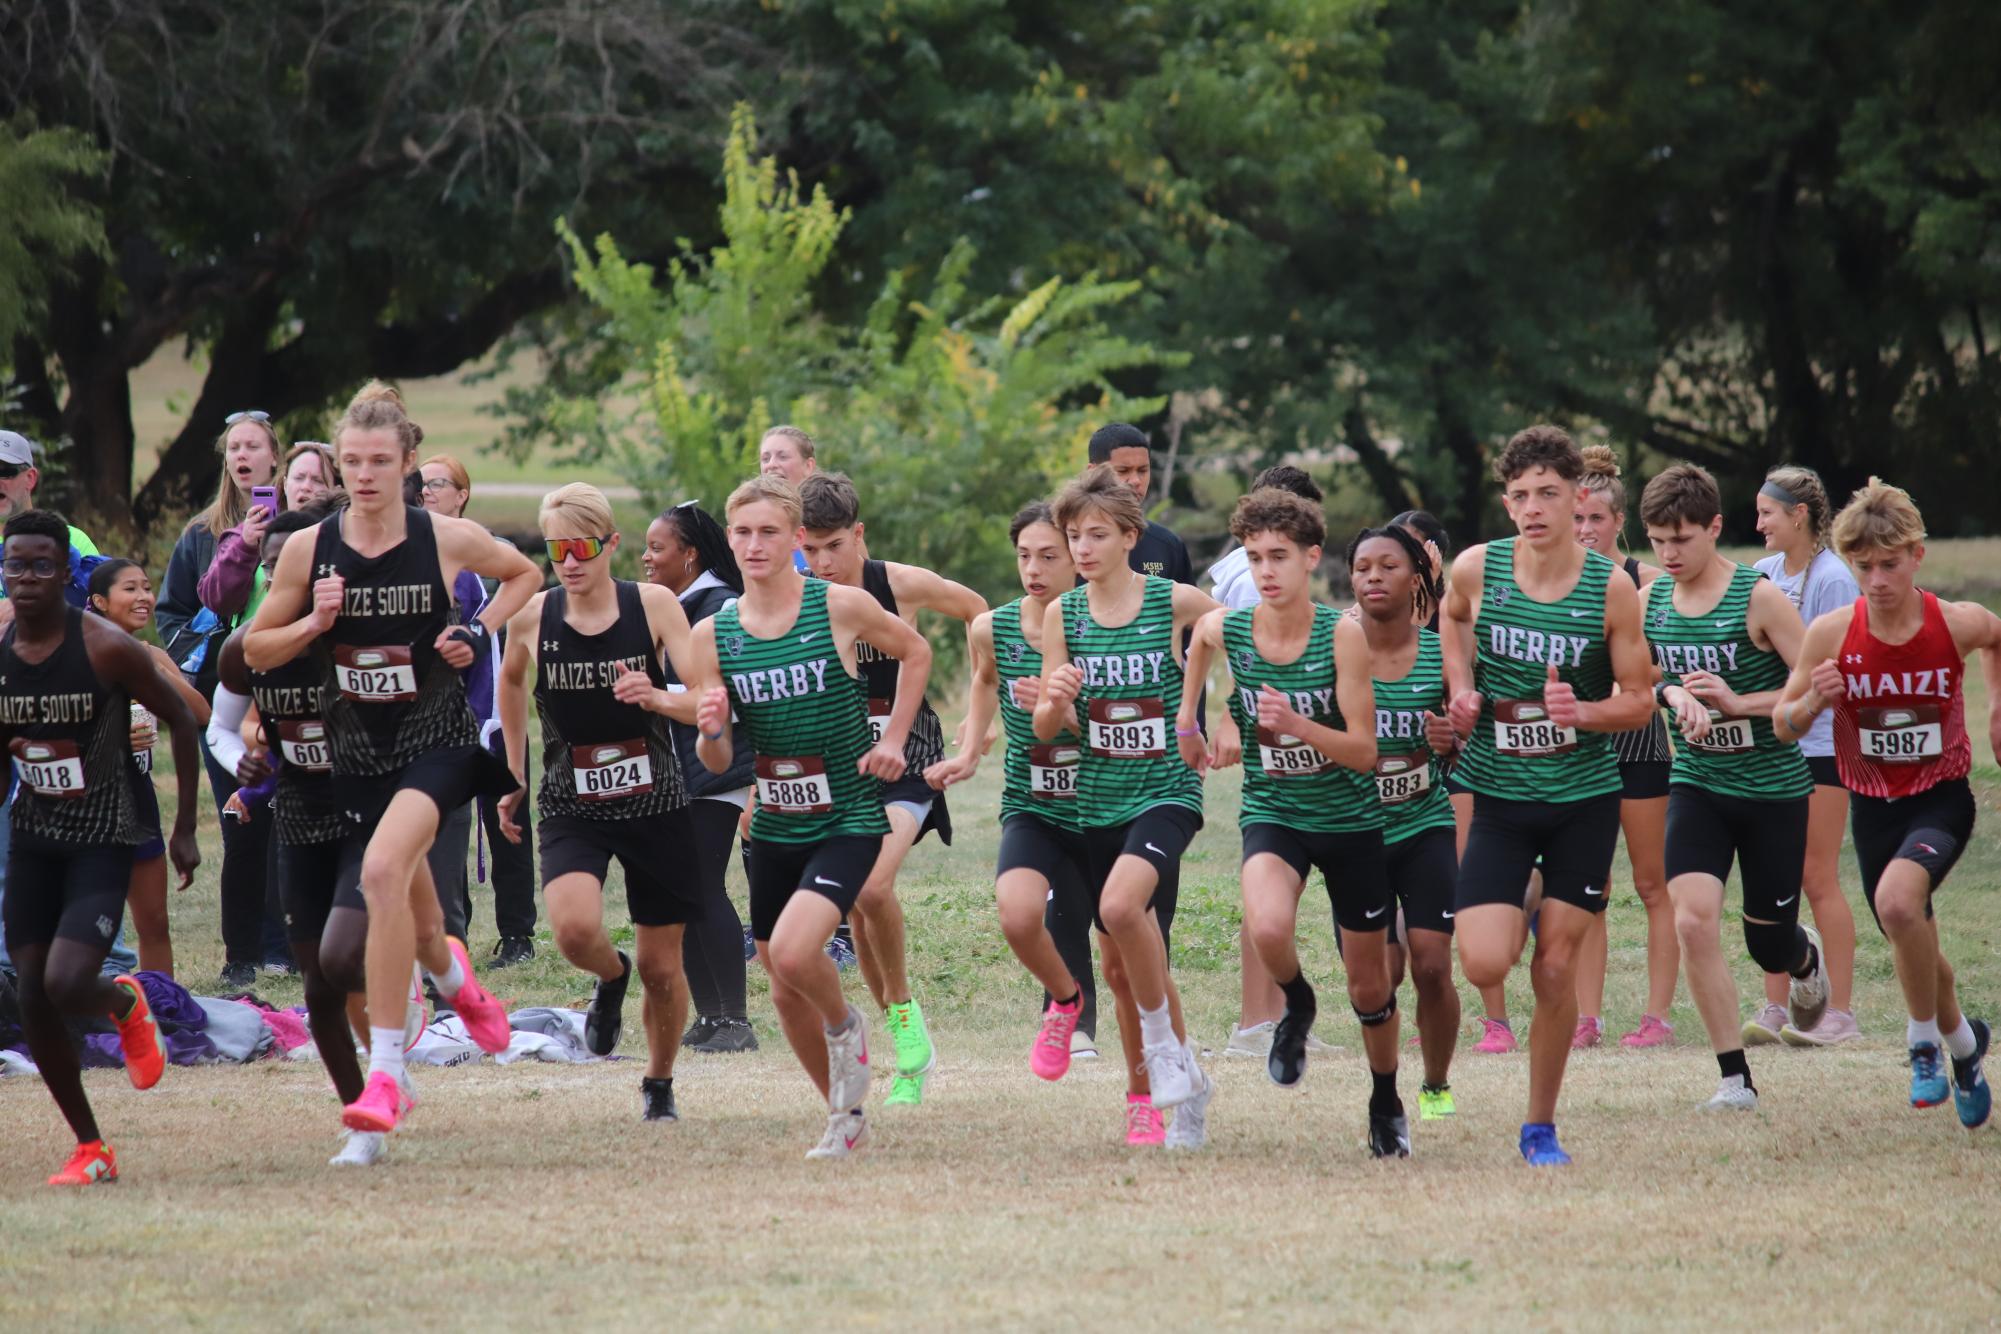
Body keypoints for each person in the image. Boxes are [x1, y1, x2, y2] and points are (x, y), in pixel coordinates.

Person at [245, 381, 538, 1138]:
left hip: (436, 744)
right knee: (414, 910)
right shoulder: (311, 548)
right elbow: (252, 650)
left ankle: (385, 1075)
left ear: (408, 465)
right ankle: (451, 978)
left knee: (380, 873)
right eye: (351, 461)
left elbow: (524, 574)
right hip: (355, 753)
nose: (365, 474)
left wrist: (476, 629)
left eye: (380, 460)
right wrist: (315, 620)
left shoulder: (440, 536)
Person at [682, 473, 931, 1159]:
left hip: (848, 815)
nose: (754, 545)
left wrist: (891, 740)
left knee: (796, 952)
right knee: (778, 973)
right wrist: (709, 728)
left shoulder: (838, 605)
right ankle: (842, 1116)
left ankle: (847, 1025)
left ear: (796, 539)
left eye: (768, 532)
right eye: (741, 532)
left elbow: (916, 652)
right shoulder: (713, 635)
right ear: (727, 540)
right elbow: (720, 752)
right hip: (776, 824)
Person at [1441, 425, 1654, 1166]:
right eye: (1521, 496)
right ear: (1507, 503)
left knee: (1555, 969)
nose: (1533, 508)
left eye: (1549, 494)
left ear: (1579, 499)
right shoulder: (1476, 569)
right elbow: (1450, 620)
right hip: (1498, 797)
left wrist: (1582, 714)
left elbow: (1640, 701)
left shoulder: (1611, 586)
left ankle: (1539, 1125)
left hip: (1582, 800)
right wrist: (1463, 690)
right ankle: (1525, 889)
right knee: (1482, 963)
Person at [1182, 492, 1410, 1156]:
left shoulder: (1341, 633)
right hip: (1274, 809)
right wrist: (1189, 721)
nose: (1265, 571)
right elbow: (1200, 640)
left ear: (1311, 558)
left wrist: (1297, 725)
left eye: (1278, 556)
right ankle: (1296, 1001)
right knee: (1267, 925)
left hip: (1347, 819)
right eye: (1253, 558)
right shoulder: (1232, 626)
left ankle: (1384, 1096)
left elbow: (1366, 753)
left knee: (1371, 985)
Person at [1775, 478, 1996, 1130]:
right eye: (1862, 566)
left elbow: (1995, 634)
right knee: (1915, 941)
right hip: (1872, 805)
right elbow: (1782, 724)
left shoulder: (1950, 622)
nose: (1875, 580)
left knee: (1898, 904)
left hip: (1941, 799)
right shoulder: (1828, 634)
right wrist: (1813, 701)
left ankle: (1920, 1044)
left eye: (1889, 564)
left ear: (1916, 555)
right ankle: (1966, 1050)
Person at [1, 509, 200, 1186]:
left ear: (64, 573)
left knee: (62, 981)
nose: (25, 578)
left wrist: (182, 830)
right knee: (32, 994)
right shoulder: (0, 652)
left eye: (39, 566)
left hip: (103, 837)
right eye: (14, 565)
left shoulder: (106, 647)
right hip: (33, 838)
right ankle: (91, 1146)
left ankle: (123, 1003)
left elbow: (180, 719)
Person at [497, 484, 706, 1122]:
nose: (570, 560)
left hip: (656, 801)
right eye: (557, 548)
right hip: (571, 800)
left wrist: (659, 695)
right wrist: (511, 772)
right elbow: (509, 683)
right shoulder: (533, 615)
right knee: (573, 928)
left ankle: (659, 1083)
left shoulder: (654, 604)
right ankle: (610, 978)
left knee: (663, 967)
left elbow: (706, 699)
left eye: (582, 546)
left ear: (611, 544)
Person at [209, 505, 404, 1165]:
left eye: (296, 569)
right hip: (299, 813)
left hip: (370, 809)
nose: (280, 581)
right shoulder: (248, 651)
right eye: (271, 568)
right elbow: (224, 727)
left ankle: (389, 1048)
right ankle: (363, 1124)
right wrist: (249, 761)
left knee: (341, 955)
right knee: (317, 981)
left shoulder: (362, 639)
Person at [1034, 465, 1221, 1149]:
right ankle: (1182, 1086)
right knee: (1121, 968)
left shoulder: (1171, 601)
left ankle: (1162, 1048)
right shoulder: (1063, 614)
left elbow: (1235, 632)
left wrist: (1214, 715)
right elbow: (1051, 733)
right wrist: (1054, 700)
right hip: (1096, 801)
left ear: (1128, 537)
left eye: (1096, 535)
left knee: (1119, 911)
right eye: (1073, 536)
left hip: (1166, 792)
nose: (1081, 549)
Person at [1639, 464, 1828, 1110]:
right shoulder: (1650, 601)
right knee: (1691, 922)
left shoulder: (1757, 598)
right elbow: (1637, 676)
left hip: (1772, 791)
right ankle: (1733, 1080)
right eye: (1657, 540)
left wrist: (1735, 700)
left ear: (1714, 528)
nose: (1668, 554)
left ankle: (1804, 959)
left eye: (1681, 539)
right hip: (1696, 785)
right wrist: (1669, 693)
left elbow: (1813, 688)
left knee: (1764, 943)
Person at [797, 471, 984, 1105]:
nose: (822, 563)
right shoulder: (801, 599)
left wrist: (981, 714)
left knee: (873, 884)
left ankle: (904, 1023)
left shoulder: (898, 584)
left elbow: (977, 612)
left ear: (859, 535)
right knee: (857, 905)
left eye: (834, 547)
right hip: (842, 770)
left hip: (911, 762)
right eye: (811, 550)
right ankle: (906, 1041)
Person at [924, 502, 1093, 1086]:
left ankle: (1157, 1049)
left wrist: (1060, 711)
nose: (1035, 569)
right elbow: (984, 679)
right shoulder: (989, 626)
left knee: (1122, 938)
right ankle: (1064, 1004)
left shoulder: (1102, 625)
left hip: (1107, 798)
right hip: (1032, 799)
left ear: (1079, 557)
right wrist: (968, 751)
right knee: (1019, 918)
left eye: (1049, 556)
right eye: (1025, 556)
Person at [1202, 464, 1334, 1059]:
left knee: (1272, 894)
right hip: (1273, 755)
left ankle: (1269, 1019)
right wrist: (1229, 718)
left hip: (1289, 748)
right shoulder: (1254, 576)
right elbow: (1243, 652)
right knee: (1267, 894)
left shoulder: (1241, 567)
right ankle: (1260, 1021)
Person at [156, 409, 287, 987]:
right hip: (225, 699)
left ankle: (287, 943)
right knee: (242, 816)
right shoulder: (201, 536)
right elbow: (171, 615)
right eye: (233, 447)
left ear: (273, 457)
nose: (242, 456)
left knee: (294, 818)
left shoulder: (301, 527)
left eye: (253, 446)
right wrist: (205, 661)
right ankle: (245, 949)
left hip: (292, 691)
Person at [1350, 523, 1464, 1123]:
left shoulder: (1442, 652)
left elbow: (1470, 748)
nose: (1374, 576)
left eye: (1388, 565)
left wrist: (1450, 743)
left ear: (1417, 576)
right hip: (1358, 834)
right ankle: (1385, 1085)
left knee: (1431, 963)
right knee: (1380, 974)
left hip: (1424, 827)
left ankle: (1437, 1083)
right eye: (1363, 566)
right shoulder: (1335, 649)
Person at [1746, 464, 1862, 1046]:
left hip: (1820, 748)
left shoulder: (1833, 578)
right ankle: (1777, 1006)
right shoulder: (1764, 574)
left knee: (1817, 876)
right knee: (1776, 878)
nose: (1758, 521)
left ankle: (1839, 1011)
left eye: (1768, 512)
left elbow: (1828, 671)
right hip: (1775, 744)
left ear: (1799, 516)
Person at [1570, 445, 1677, 1050]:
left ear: (1619, 523)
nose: (1585, 531)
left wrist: (1633, 684)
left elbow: (1668, 663)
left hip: (1638, 747)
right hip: (1581, 753)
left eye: (1596, 521)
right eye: (1577, 519)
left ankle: (1657, 1016)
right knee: (1589, 888)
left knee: (1652, 883)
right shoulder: (1555, 584)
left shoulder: (1648, 583)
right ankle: (1587, 1017)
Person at [643, 502, 759, 1054]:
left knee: (704, 888)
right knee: (685, 891)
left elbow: (718, 699)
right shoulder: (682, 604)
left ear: (690, 555)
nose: (646, 558)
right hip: (681, 768)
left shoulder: (713, 607)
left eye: (658, 548)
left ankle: (735, 1018)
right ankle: (711, 1016)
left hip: (717, 769)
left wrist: (654, 697)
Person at [419, 452, 536, 964]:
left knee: (506, 820)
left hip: (493, 708)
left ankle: (518, 935)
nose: (426, 492)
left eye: (437, 484)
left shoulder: (488, 554)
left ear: (462, 494)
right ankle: (452, 931)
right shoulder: (414, 552)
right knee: (446, 831)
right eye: (418, 484)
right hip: (436, 720)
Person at [85, 559, 212, 977]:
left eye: (146, 587)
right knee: (87, 922)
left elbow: (199, 712)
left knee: (154, 921)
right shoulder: (80, 652)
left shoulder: (151, 654)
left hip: (137, 798)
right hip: (84, 802)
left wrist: (150, 668)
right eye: (130, 589)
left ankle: (162, 1009)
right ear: (100, 602)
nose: (143, 597)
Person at [759, 426, 818, 574]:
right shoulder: (753, 523)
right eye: (765, 458)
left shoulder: (834, 516)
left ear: (808, 466)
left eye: (782, 456)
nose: (771, 464)